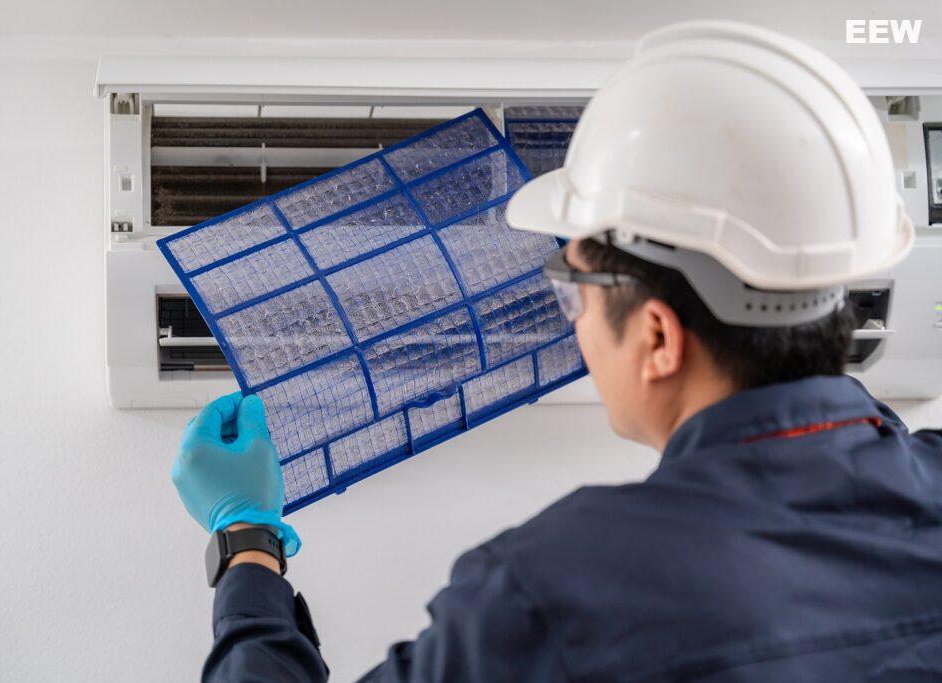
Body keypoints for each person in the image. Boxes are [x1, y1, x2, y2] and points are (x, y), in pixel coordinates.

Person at [171, 21, 942, 682]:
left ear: (657, 337)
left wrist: (247, 542)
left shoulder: (562, 596)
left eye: (571, 290)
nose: (570, 318)